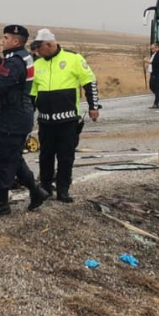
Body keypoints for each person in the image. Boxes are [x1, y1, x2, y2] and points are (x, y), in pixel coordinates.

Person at [0, 25, 48, 216]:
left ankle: (1, 203)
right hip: (18, 116)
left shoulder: (15, 61)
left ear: (15, 41)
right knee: (14, 158)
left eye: (5, 38)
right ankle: (36, 191)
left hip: (13, 118)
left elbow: (2, 84)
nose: (2, 40)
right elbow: (8, 72)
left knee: (4, 161)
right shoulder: (20, 57)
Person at [29, 29, 99, 203]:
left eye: (39, 48)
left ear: (49, 44)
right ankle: (45, 188)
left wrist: (93, 106)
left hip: (67, 120)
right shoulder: (37, 64)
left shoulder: (73, 58)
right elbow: (32, 92)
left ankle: (63, 190)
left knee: (66, 156)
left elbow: (89, 82)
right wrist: (28, 112)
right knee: (45, 156)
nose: (37, 52)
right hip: (45, 120)